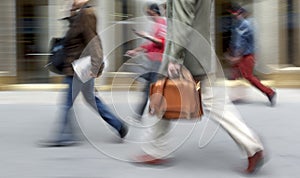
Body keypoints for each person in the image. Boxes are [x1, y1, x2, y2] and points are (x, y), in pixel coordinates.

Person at [135, 0, 266, 174]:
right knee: (173, 98)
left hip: (186, 56)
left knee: (172, 95)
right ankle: (155, 149)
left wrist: (175, 58)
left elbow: (182, 23)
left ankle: (252, 146)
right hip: (201, 54)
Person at [40, 0, 128, 147]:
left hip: (80, 67)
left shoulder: (86, 14)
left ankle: (63, 136)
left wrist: (96, 67)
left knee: (66, 103)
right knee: (91, 100)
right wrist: (70, 14)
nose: (73, 1)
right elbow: (74, 38)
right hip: (77, 67)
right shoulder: (79, 14)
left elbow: (93, 40)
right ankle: (118, 125)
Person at [225, 6, 276, 106]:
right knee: (234, 74)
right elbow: (235, 42)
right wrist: (231, 53)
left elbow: (241, 43)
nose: (232, 15)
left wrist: (236, 56)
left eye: (234, 13)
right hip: (243, 55)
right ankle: (238, 96)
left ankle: (270, 92)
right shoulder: (238, 24)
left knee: (248, 76)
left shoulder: (244, 25)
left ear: (240, 13)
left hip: (246, 56)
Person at [125, 3, 166, 120]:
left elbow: (161, 42)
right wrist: (135, 50)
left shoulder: (162, 23)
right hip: (153, 62)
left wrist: (146, 35)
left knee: (150, 89)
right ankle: (143, 114)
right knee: (148, 88)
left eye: (148, 13)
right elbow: (151, 44)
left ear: (153, 11)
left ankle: (154, 112)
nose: (148, 16)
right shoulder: (156, 25)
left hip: (158, 62)